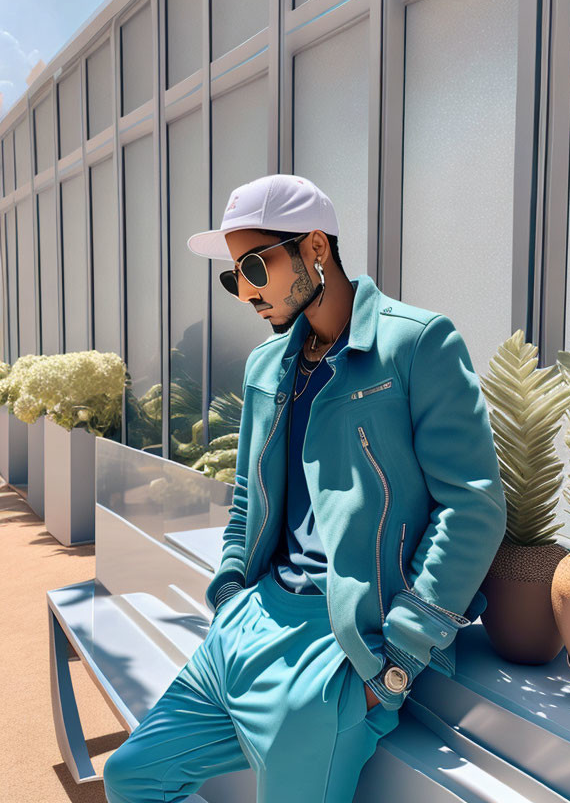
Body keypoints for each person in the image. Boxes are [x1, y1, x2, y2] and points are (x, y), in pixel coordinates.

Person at [103, 174, 507, 803]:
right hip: (247, 625)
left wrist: (398, 658)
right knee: (132, 777)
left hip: (341, 645)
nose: (244, 292)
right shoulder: (267, 365)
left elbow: (472, 504)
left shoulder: (415, 344)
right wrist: (230, 595)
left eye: (255, 267)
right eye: (232, 276)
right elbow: (248, 496)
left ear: (315, 247)